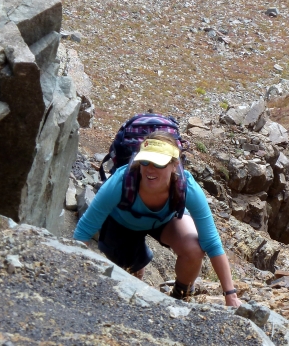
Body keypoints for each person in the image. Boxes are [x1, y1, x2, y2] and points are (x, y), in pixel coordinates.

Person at [74, 131, 242, 307]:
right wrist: (74, 273)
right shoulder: (121, 182)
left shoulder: (187, 187)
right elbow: (85, 229)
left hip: (164, 221)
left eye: (158, 163)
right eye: (145, 161)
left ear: (174, 165)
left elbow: (212, 243)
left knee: (193, 249)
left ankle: (180, 297)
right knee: (131, 280)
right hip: (122, 224)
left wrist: (230, 295)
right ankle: (138, 261)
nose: (149, 169)